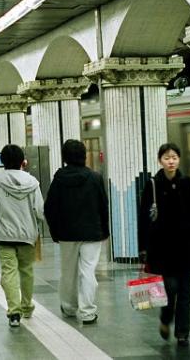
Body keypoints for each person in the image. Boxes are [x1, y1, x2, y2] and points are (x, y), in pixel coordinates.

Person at [138, 143, 190, 347]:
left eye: (174, 157)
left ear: (179, 159)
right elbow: (143, 220)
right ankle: (165, 319)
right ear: (160, 161)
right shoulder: (153, 185)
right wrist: (143, 248)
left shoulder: (187, 183)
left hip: (186, 246)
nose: (171, 161)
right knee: (171, 289)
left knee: (185, 292)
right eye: (167, 157)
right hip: (162, 248)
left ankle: (182, 333)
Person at [44, 139, 109, 325]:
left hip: (66, 234)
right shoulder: (95, 177)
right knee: (88, 272)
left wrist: (55, 231)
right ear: (84, 155)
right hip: (92, 233)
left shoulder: (59, 179)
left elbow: (50, 208)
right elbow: (103, 206)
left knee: (68, 272)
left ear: (64, 157)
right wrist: (104, 230)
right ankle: (88, 311)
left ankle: (69, 306)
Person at [0, 145, 44, 327]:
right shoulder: (32, 182)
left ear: (2, 161)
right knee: (27, 271)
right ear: (22, 161)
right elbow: (39, 211)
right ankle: (26, 306)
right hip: (27, 236)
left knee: (8, 272)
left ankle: (14, 312)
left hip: (4, 236)